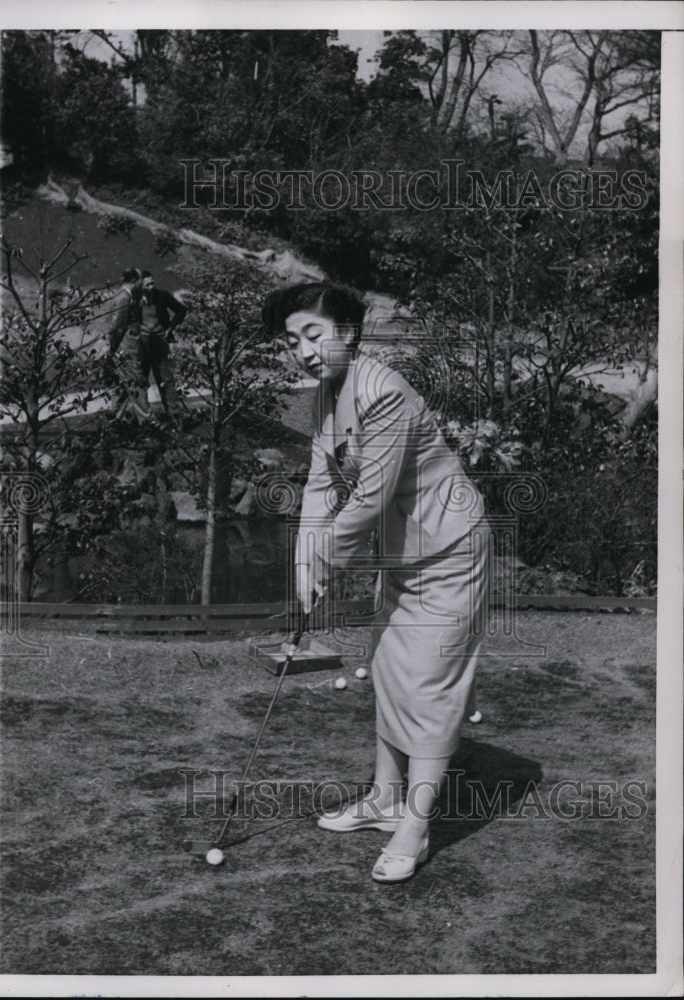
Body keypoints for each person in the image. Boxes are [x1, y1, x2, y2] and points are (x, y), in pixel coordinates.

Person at [262, 282, 491, 884]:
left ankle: (415, 828)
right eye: (292, 341)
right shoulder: (327, 392)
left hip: (449, 550)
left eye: (314, 335)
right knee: (388, 669)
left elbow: (368, 497)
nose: (303, 351)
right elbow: (321, 482)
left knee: (429, 684)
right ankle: (385, 799)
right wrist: (305, 562)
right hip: (402, 556)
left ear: (348, 332)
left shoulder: (384, 390)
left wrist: (329, 563)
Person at [137, 270, 187, 419]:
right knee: (141, 379)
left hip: (160, 342)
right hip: (141, 344)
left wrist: (171, 327)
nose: (151, 287)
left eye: (152, 283)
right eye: (147, 285)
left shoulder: (162, 295)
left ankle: (175, 417)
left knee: (166, 379)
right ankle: (146, 420)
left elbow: (181, 310)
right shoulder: (134, 300)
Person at [106, 267, 149, 419]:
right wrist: (112, 348)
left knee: (121, 384)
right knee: (135, 381)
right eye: (140, 280)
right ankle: (146, 419)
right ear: (134, 281)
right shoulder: (124, 298)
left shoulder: (122, 295)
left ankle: (115, 420)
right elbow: (116, 327)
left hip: (121, 346)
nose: (142, 283)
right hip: (125, 347)